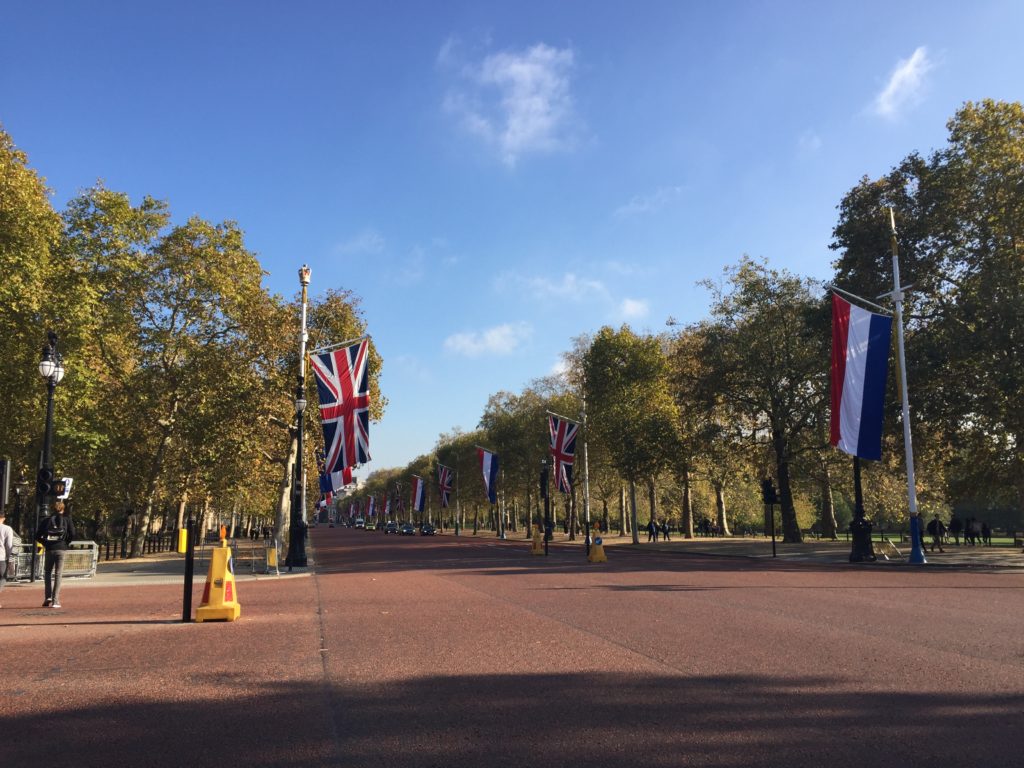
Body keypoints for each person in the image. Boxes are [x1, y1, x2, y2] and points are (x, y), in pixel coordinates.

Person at [35, 500, 76, 608]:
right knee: (58, 574)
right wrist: (65, 543)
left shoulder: (46, 521)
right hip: (61, 548)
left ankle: (47, 596)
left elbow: (37, 535)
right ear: (63, 509)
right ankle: (55, 600)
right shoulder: (67, 520)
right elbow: (72, 533)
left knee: (47, 572)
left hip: (49, 549)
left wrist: (46, 543)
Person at [0, 509, 16, 608]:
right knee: (2, 578)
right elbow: (9, 545)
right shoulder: (7, 529)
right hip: (1, 557)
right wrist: (9, 555)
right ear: (4, 518)